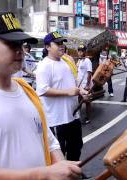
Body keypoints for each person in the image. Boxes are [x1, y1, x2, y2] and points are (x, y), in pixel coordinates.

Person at [0, 12, 81, 179]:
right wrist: (44, 174)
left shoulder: (27, 92)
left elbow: (50, 142)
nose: (20, 51)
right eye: (11, 44)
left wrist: (61, 168)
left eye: (21, 44)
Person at [36, 31, 86, 162]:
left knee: (76, 147)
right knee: (59, 153)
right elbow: (43, 90)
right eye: (57, 44)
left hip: (73, 115)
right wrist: (68, 92)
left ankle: (74, 172)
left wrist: (81, 91)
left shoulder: (65, 62)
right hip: (57, 119)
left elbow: (72, 84)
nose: (61, 46)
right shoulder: (44, 66)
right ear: (47, 47)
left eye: (62, 43)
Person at [76, 44, 92, 124]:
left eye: (82, 51)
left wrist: (88, 85)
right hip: (79, 85)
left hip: (86, 84)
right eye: (79, 51)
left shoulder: (87, 61)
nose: (80, 53)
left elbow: (89, 73)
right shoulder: (79, 60)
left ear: (85, 52)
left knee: (87, 101)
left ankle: (88, 117)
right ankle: (78, 117)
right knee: (79, 100)